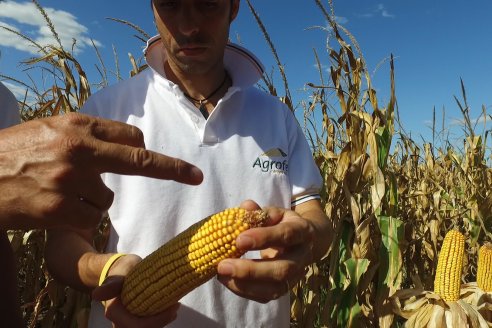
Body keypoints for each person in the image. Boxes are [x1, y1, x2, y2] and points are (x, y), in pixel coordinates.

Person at [44, 0, 333, 327]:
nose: (188, 27)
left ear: (233, 7)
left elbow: (314, 215)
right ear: (152, 7)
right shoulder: (107, 111)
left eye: (207, 5)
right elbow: (63, 242)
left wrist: (306, 237)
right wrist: (108, 270)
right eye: (170, 5)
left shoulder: (277, 116)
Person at [0, 82, 204, 327]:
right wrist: (107, 268)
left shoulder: (4, 100)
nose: (189, 40)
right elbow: (63, 242)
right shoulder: (104, 106)